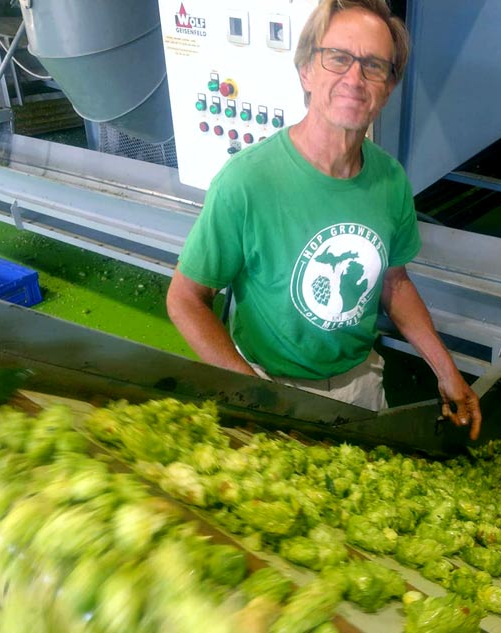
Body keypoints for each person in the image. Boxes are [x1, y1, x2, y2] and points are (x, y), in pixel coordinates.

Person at [166, 0, 481, 440]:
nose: (354, 78)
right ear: (306, 71)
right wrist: (255, 395)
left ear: (388, 88)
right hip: (269, 386)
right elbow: (185, 299)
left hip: (361, 387)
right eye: (338, 58)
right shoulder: (248, 181)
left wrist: (446, 370)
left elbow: (394, 283)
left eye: (374, 66)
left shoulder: (389, 180)